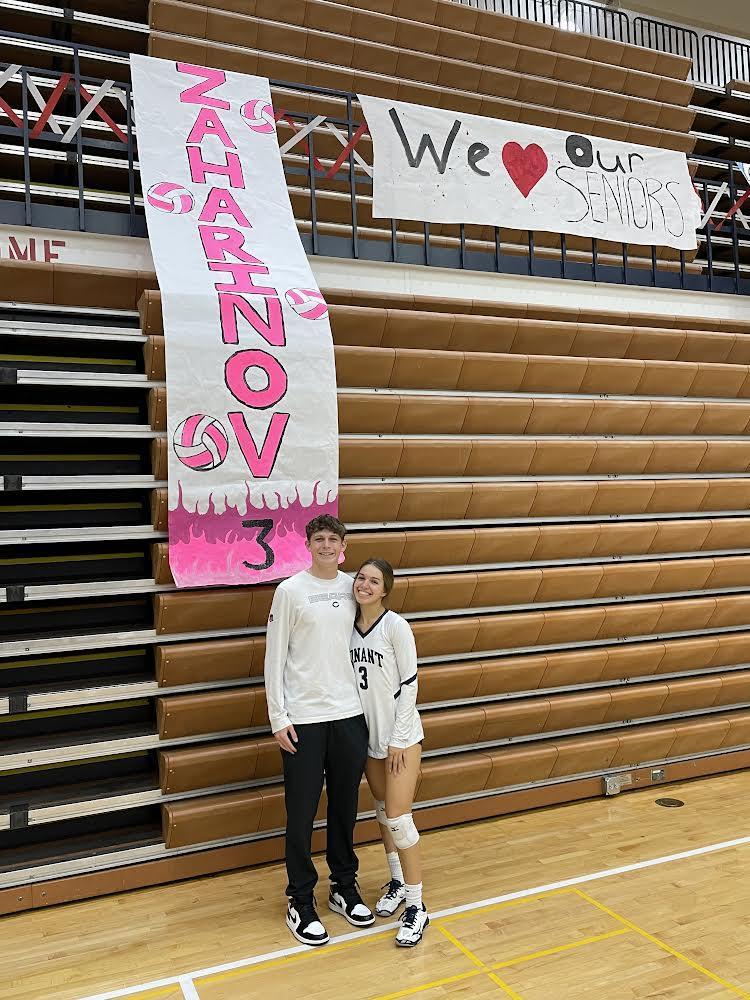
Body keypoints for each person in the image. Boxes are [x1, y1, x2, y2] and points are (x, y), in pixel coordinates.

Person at [264, 515, 374, 947]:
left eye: (333, 539)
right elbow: (274, 657)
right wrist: (278, 716)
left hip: (349, 715)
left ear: (344, 546)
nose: (326, 545)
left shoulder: (354, 588)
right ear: (308, 544)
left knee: (345, 808)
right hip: (303, 720)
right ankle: (300, 900)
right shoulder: (290, 590)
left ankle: (344, 887)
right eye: (319, 539)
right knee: (302, 814)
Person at [350, 558, 428, 948]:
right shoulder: (348, 627)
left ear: (385, 590)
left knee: (399, 820)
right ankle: (397, 881)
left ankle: (417, 906)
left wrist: (398, 739)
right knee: (382, 812)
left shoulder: (396, 626)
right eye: (360, 578)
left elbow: (410, 685)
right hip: (370, 739)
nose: (365, 585)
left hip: (401, 739)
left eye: (374, 581)